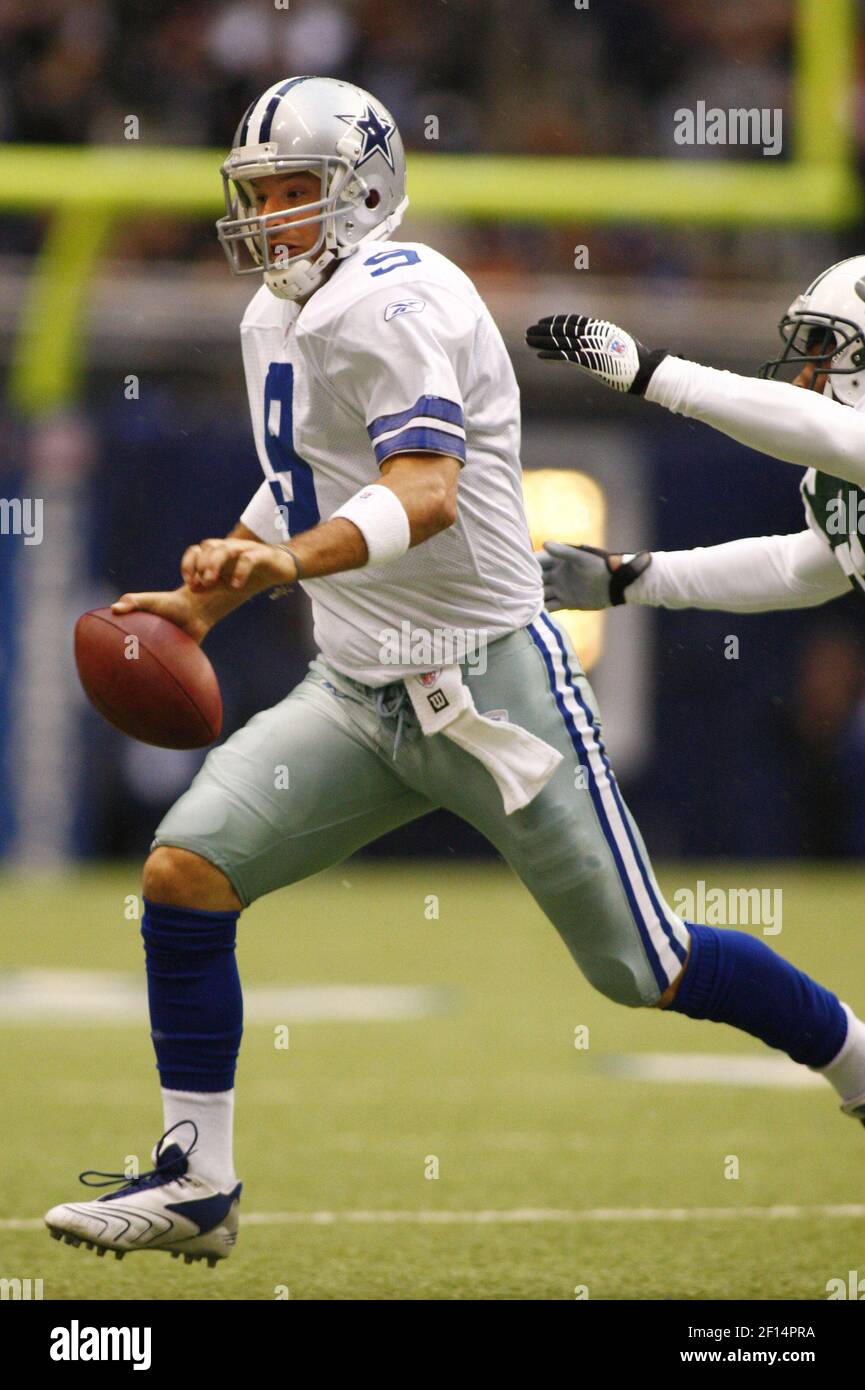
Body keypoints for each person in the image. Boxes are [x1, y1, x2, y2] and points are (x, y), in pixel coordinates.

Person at [44, 87, 865, 1267]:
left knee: (649, 964)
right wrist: (209, 598)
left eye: (291, 192)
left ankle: (855, 1065)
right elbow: (307, 482)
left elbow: (421, 497)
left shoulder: (404, 298)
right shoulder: (269, 322)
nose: (266, 217)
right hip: (355, 689)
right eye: (257, 192)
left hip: (490, 688)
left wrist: (280, 562)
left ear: (361, 191)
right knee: (184, 873)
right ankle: (197, 1177)